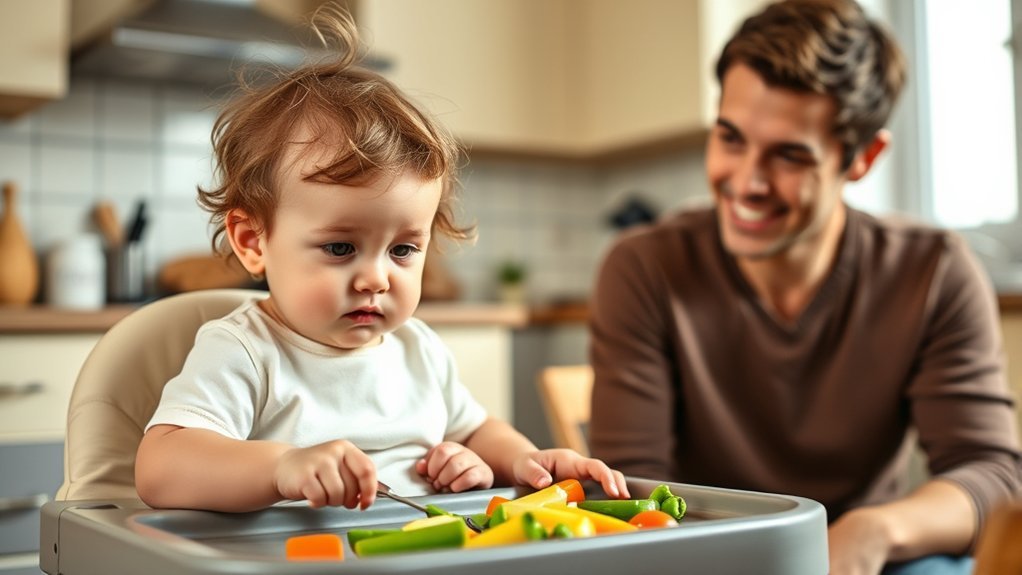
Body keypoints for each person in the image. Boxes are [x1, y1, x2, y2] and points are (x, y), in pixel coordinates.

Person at [135, 5, 628, 513]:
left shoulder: (418, 349)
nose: (375, 278)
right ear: (254, 241)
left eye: (403, 250)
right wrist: (281, 468)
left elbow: (476, 429)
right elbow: (162, 468)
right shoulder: (244, 351)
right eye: (340, 247)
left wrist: (525, 461)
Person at [587, 1, 1021, 574]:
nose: (747, 183)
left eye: (790, 155)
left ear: (863, 157)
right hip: (704, 557)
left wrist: (875, 530)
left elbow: (992, 478)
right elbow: (635, 499)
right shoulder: (643, 267)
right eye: (732, 138)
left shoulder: (933, 270)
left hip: (877, 559)